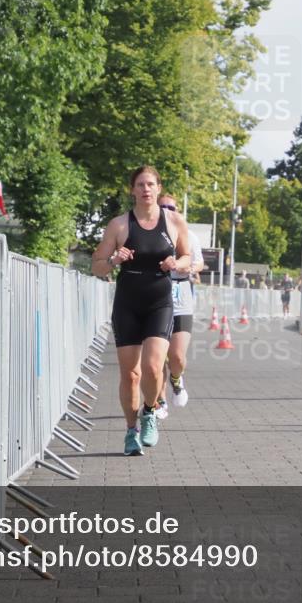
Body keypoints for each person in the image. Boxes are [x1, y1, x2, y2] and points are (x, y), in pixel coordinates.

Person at [92, 166, 191, 456]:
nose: (146, 189)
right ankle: (131, 430)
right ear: (132, 190)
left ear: (158, 188)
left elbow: (187, 257)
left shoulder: (174, 221)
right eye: (140, 185)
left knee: (151, 366)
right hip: (127, 303)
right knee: (131, 375)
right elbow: (96, 265)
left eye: (150, 184)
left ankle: (150, 411)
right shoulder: (119, 225)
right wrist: (113, 258)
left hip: (159, 302)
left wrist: (176, 264)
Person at [154, 193, 203, 419]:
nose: (167, 210)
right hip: (155, 297)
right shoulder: (150, 232)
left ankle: (176, 379)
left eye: (171, 207)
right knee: (157, 357)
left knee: (177, 357)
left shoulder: (188, 234)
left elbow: (199, 262)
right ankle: (160, 401)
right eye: (163, 206)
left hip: (181, 297)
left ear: (177, 210)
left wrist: (189, 268)